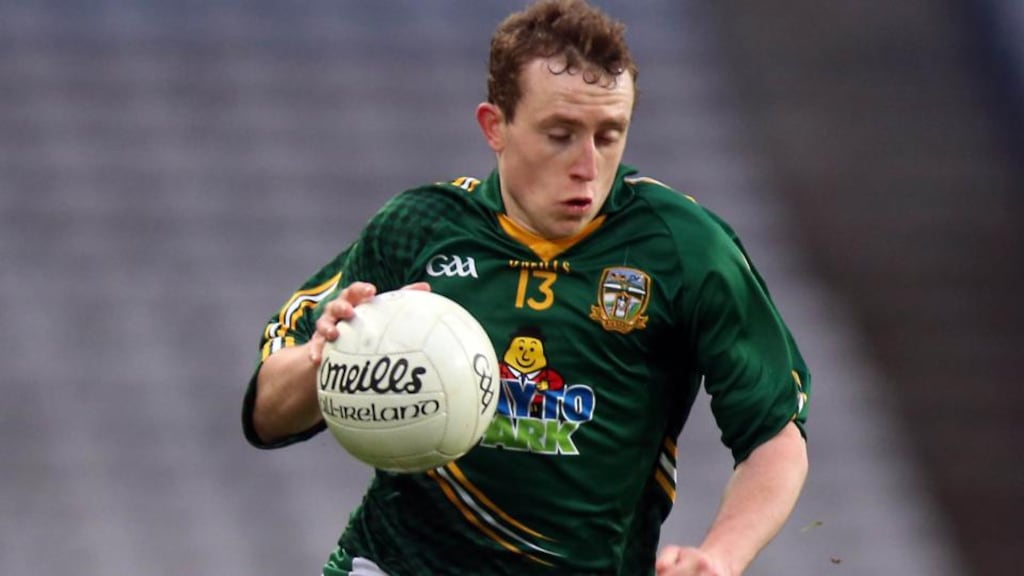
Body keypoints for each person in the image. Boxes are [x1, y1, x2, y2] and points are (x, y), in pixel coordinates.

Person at [242, 1, 810, 574]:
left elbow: (774, 435)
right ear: (495, 126)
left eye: (610, 134)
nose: (588, 164)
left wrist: (720, 557)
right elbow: (266, 414)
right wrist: (326, 359)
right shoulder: (419, 228)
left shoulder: (683, 247)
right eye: (560, 134)